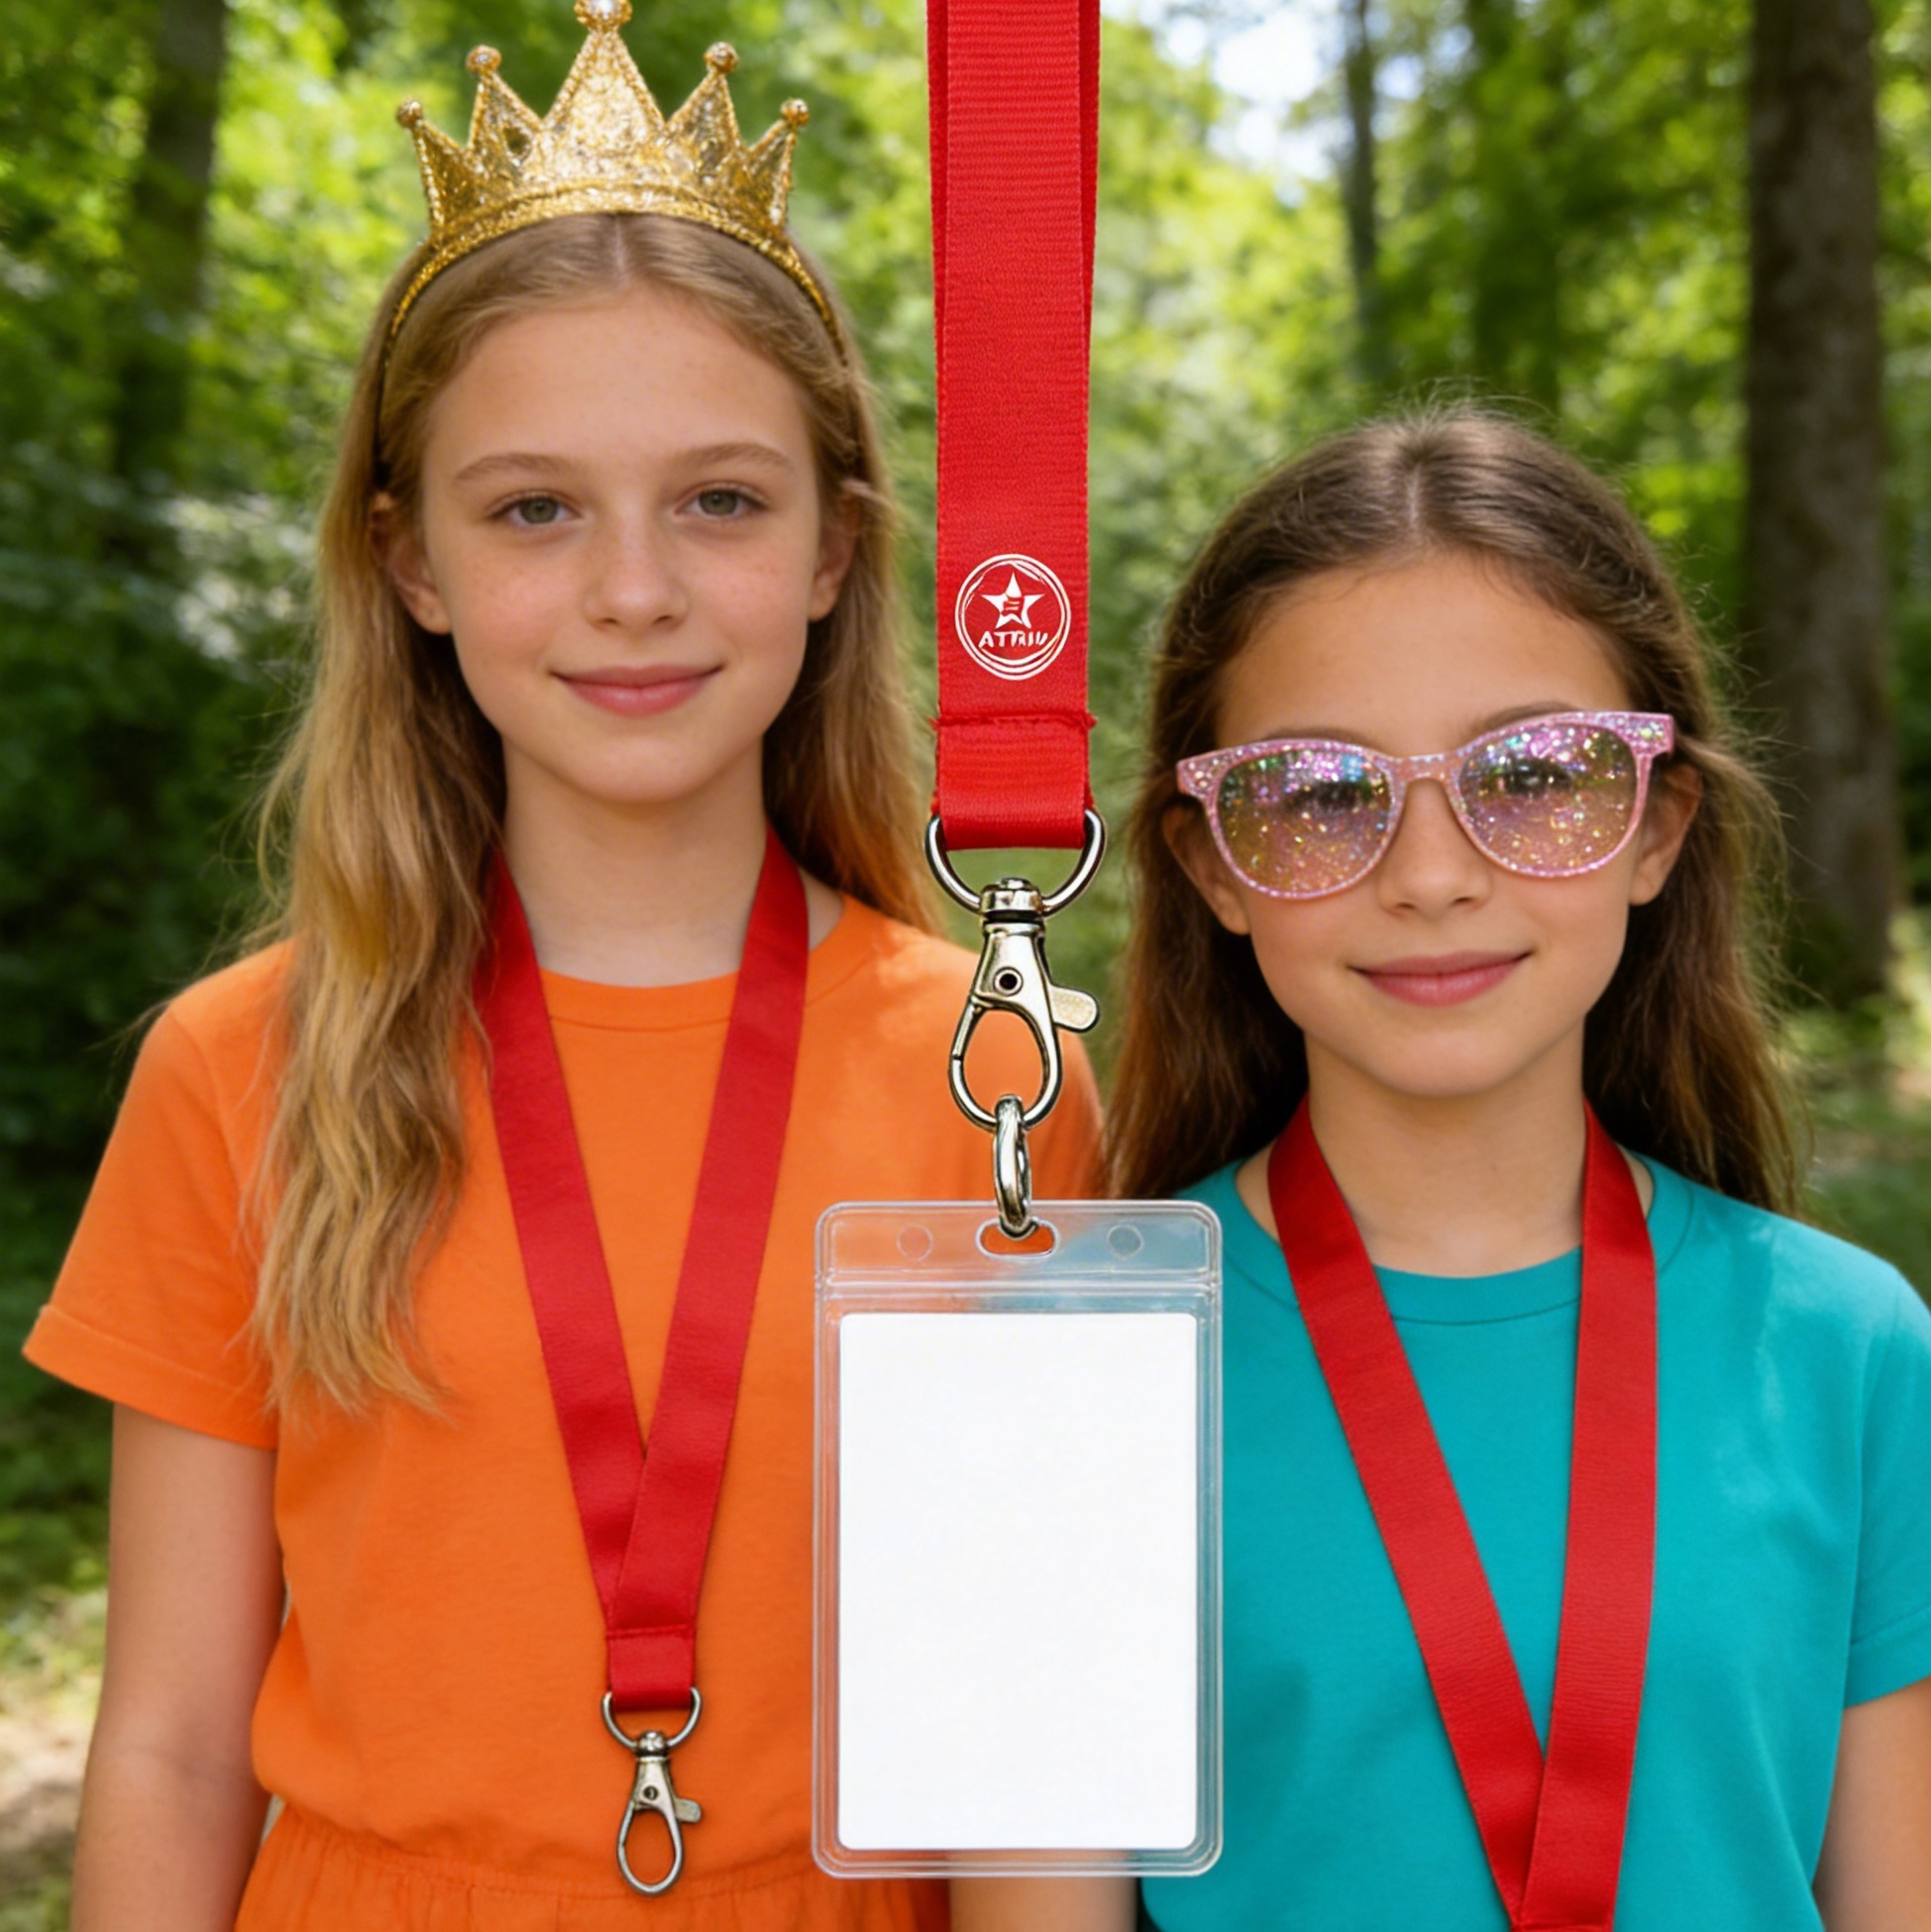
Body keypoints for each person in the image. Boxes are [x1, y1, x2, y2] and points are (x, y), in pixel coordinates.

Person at [26, 7, 1100, 1927]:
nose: (632, 588)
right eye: (534, 508)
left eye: (721, 499)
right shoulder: (239, 1064)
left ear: (838, 551)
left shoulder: (987, 1072)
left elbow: (1028, 1747)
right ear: (414, 563)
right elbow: (176, 1740)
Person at [954, 407, 1931, 1932]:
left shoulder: (1852, 1347)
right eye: (1320, 790)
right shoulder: (1069, 1369)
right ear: (1212, 860)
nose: (1430, 873)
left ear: (1656, 824)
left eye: (1535, 772)